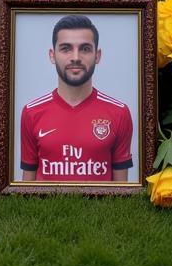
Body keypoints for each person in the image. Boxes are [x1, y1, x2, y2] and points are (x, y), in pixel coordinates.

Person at [20, 16, 134, 183]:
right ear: (52, 55)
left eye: (85, 49)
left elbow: (121, 192)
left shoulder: (119, 113)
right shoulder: (31, 112)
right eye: (66, 48)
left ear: (97, 55)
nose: (75, 57)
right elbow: (27, 190)